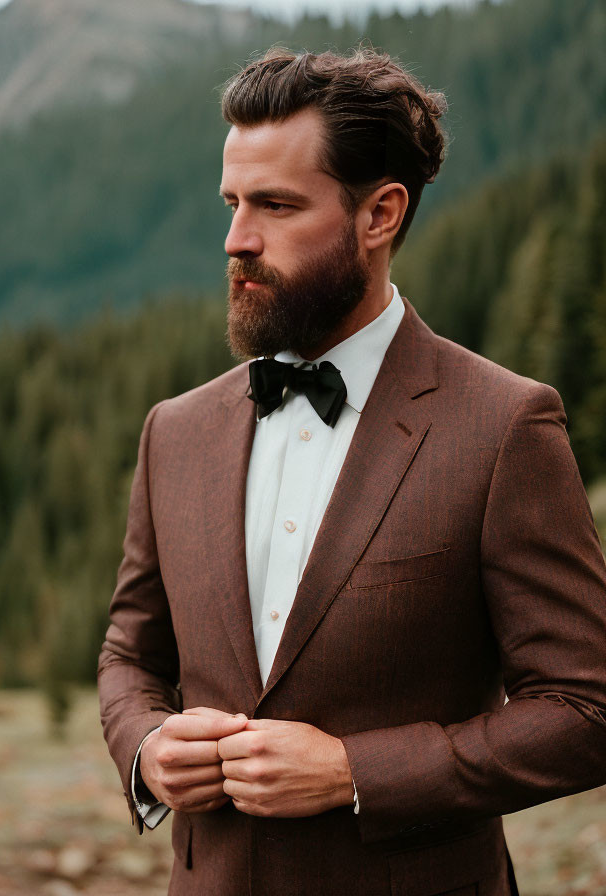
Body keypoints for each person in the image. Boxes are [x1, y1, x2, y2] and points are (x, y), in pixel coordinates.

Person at [97, 48, 606, 896]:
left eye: (276, 206)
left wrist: (354, 772)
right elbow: (128, 652)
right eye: (231, 203)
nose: (236, 240)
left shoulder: (504, 425)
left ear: (380, 214)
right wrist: (147, 747)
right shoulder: (174, 432)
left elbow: (588, 712)